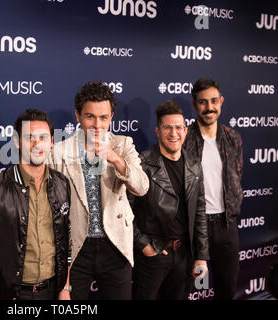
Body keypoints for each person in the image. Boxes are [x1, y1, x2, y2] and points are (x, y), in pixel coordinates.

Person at [49, 81, 149, 299]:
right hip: (75, 249)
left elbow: (142, 187)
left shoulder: (123, 145)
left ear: (111, 117)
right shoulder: (58, 152)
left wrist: (115, 159)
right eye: (90, 117)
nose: (97, 125)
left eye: (103, 117)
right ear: (78, 116)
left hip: (115, 245)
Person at [0, 109, 71, 300]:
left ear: (52, 141)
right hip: (7, 293)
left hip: (51, 291)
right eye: (29, 137)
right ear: (16, 141)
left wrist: (65, 289)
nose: (37, 144)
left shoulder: (62, 184)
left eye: (43, 137)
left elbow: (66, 241)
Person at [131, 100, 209, 300]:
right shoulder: (143, 163)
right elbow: (124, 212)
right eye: (167, 128)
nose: (173, 134)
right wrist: (145, 245)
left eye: (178, 128)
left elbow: (200, 212)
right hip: (153, 255)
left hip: (184, 255)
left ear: (185, 130)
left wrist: (201, 256)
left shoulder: (193, 164)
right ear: (157, 131)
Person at [183, 78, 243, 300]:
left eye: (214, 101)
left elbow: (236, 175)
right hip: (192, 227)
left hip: (226, 226)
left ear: (222, 102)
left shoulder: (233, 138)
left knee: (226, 289)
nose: (209, 107)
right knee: (184, 288)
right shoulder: (184, 139)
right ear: (194, 104)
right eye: (203, 102)